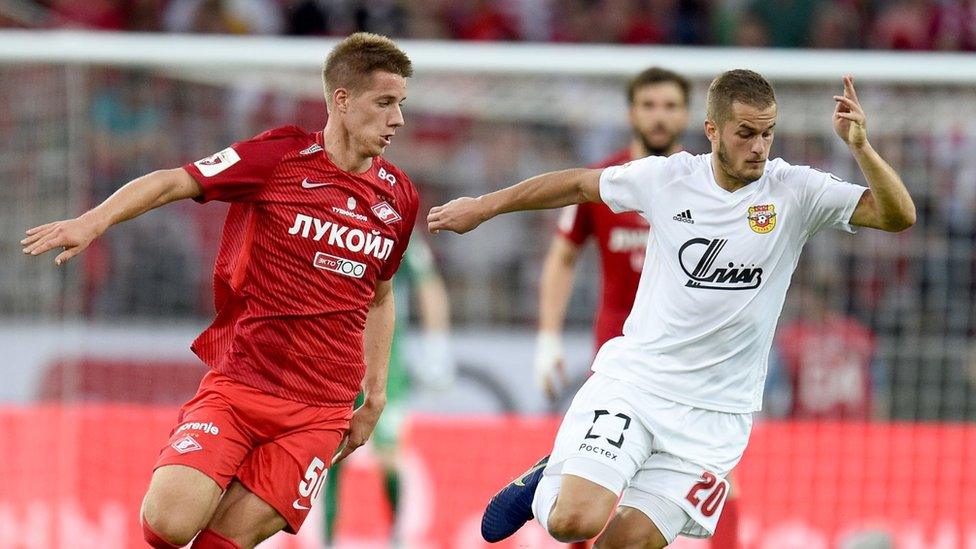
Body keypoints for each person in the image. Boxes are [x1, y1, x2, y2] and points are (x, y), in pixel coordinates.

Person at [428, 70, 915, 548]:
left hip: (717, 418)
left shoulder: (795, 190)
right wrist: (485, 206)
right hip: (638, 386)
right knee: (572, 523)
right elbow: (579, 185)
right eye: (745, 134)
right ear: (712, 131)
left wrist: (861, 147)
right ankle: (547, 473)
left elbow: (897, 216)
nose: (759, 147)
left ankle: (568, 464)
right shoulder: (668, 178)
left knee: (625, 544)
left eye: (768, 134)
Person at [22, 32, 419, 549]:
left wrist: (378, 393)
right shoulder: (278, 157)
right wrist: (94, 221)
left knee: (222, 544)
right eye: (385, 103)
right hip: (240, 387)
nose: (398, 120)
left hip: (321, 410)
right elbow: (173, 181)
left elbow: (382, 297)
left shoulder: (399, 198)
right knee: (167, 524)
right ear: (342, 101)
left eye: (402, 105)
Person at [536, 65, 742, 549]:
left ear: (688, 115)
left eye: (670, 106)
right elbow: (562, 256)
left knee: (719, 481)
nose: (658, 116)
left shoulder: (710, 184)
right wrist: (547, 338)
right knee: (594, 493)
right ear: (632, 112)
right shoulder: (603, 182)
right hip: (620, 358)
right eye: (649, 105)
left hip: (692, 364)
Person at [323, 230, 456, 545]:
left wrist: (437, 344)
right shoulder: (329, 219)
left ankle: (398, 537)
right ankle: (325, 540)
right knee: (325, 451)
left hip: (384, 364)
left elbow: (428, 284)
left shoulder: (395, 228)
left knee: (389, 453)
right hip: (331, 358)